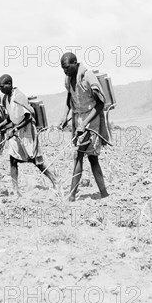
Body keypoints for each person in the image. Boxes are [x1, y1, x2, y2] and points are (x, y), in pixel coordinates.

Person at [59, 52, 110, 202]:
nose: (65, 71)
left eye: (67, 67)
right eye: (63, 69)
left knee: (82, 156)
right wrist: (64, 116)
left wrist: (85, 122)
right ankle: (103, 193)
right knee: (88, 157)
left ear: (75, 63)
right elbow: (69, 98)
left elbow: (100, 104)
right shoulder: (68, 79)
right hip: (78, 120)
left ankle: (72, 195)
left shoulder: (88, 77)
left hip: (92, 119)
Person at [0, 74, 57, 195]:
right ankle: (15, 189)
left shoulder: (19, 96)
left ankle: (54, 180)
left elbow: (29, 117)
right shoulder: (5, 98)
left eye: (2, 87)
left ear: (9, 84)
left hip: (27, 130)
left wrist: (15, 129)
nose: (0, 89)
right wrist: (1, 126)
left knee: (35, 160)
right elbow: (10, 117)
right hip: (16, 130)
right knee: (13, 159)